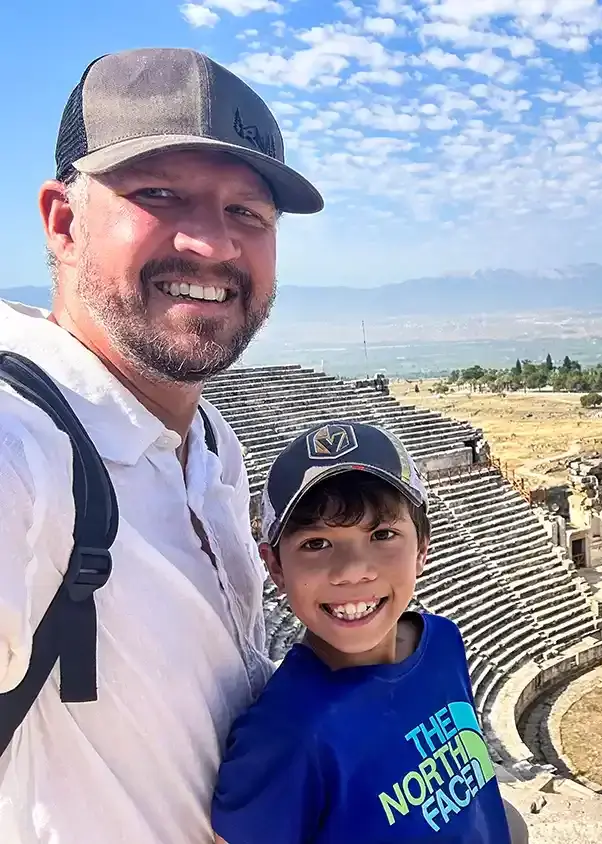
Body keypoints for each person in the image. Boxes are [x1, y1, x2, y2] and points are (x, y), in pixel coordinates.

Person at [0, 47, 323, 844]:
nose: (212, 246)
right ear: (63, 222)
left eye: (247, 212)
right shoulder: (22, 447)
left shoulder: (210, 442)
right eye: (158, 195)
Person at [211, 420, 526, 844]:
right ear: (275, 567)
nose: (353, 570)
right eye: (316, 543)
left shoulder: (443, 641)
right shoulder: (285, 736)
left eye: (382, 534)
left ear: (422, 549)